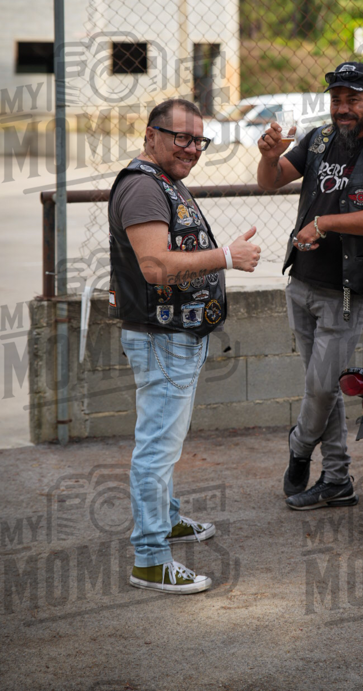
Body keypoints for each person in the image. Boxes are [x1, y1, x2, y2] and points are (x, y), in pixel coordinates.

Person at [108, 98, 260, 593]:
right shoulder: (143, 188)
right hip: (162, 340)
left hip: (175, 338)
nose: (192, 149)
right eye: (182, 138)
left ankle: (167, 519)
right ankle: (151, 558)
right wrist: (227, 257)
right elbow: (154, 265)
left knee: (165, 445)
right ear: (151, 135)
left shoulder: (163, 183)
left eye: (199, 140)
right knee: (156, 450)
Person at [257, 62, 363, 510]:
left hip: (345, 293)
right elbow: (269, 181)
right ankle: (337, 479)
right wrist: (269, 155)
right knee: (319, 388)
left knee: (323, 389)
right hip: (302, 283)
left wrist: (323, 223)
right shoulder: (319, 140)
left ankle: (299, 445)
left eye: (353, 99)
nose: (343, 108)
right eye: (336, 99)